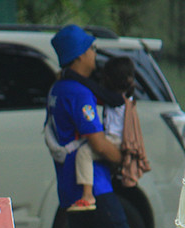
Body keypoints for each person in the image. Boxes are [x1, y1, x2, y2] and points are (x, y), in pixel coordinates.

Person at [45, 25, 135, 228]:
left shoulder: (58, 89)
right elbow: (97, 142)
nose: (95, 55)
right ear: (80, 55)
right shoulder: (80, 93)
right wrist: (123, 157)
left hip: (68, 184)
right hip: (93, 185)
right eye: (92, 49)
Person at [48, 56, 150, 210]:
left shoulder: (118, 98)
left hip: (115, 141)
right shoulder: (123, 97)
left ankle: (87, 195)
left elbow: (95, 89)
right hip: (115, 139)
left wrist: (71, 75)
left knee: (84, 153)